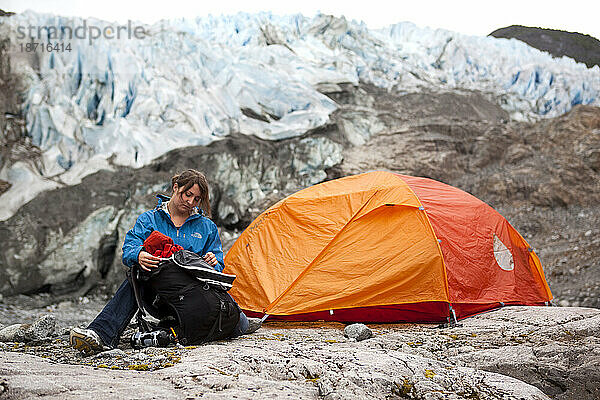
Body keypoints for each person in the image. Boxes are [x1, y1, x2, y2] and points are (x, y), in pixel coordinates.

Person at [70, 169, 261, 354]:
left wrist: (214, 261)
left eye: (196, 199)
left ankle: (169, 329)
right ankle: (100, 334)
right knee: (136, 277)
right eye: (187, 194)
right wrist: (138, 255)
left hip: (192, 297)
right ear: (175, 187)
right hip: (158, 294)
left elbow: (218, 264)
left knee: (239, 325)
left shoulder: (207, 227)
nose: (190, 202)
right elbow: (129, 248)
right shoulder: (150, 219)